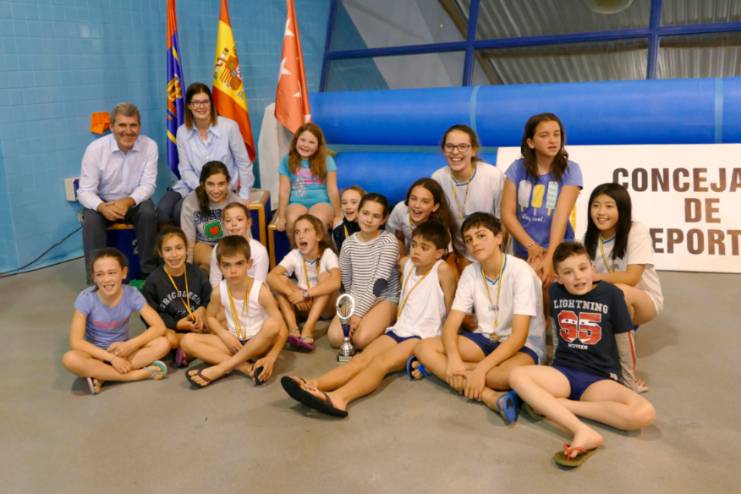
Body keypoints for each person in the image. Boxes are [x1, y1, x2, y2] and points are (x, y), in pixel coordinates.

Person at [281, 221, 456, 417]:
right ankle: (314, 384)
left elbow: (452, 311)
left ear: (439, 253)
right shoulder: (407, 264)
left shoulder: (442, 269)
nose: (416, 251)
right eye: (414, 245)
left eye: (425, 248)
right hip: (400, 330)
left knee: (381, 363)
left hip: (422, 336)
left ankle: (339, 398)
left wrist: (439, 351)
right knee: (361, 359)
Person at [509, 241, 655, 468]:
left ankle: (557, 405)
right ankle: (582, 430)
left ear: (592, 268)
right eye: (568, 272)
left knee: (644, 412)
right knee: (517, 375)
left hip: (599, 379)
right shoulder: (555, 292)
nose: (577, 276)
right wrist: (551, 365)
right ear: (558, 278)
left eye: (583, 268)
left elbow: (625, 341)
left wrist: (628, 382)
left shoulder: (612, 295)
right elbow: (557, 331)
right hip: (563, 373)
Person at [412, 213, 545, 424]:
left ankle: (441, 369)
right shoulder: (470, 272)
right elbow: (451, 324)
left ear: (499, 238)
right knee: (423, 348)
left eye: (481, 235)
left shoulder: (521, 272)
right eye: (469, 239)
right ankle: (490, 396)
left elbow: (519, 336)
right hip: (485, 338)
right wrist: (453, 359)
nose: (474, 243)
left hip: (522, 346)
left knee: (507, 377)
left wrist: (480, 369)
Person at [180, 236, 287, 387]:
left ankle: (221, 368)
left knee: (272, 324)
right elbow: (210, 317)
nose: (233, 271)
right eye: (227, 265)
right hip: (235, 343)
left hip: (260, 344)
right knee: (187, 341)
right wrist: (223, 334)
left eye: (239, 264)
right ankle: (246, 368)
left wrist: (271, 357)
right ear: (219, 266)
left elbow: (282, 328)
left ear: (249, 264)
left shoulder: (260, 291)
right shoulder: (218, 291)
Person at [62, 248, 170, 395]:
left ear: (124, 273)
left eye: (112, 273)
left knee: (163, 343)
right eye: (100, 274)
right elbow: (76, 342)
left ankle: (102, 375)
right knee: (70, 359)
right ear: (93, 277)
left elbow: (159, 327)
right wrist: (111, 358)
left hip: (123, 351)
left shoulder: (132, 294)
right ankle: (134, 375)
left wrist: (130, 345)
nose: (106, 279)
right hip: (96, 355)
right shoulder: (86, 298)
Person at [77, 102, 158, 280]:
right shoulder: (95, 149)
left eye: (133, 125)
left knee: (148, 212)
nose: (128, 131)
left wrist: (128, 201)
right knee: (91, 220)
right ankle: (96, 278)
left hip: (133, 202)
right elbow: (84, 191)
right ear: (112, 126)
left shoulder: (150, 146)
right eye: (122, 125)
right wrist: (102, 207)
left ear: (139, 127)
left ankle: (149, 273)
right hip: (103, 202)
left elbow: (148, 185)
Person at [501, 113, 582, 282]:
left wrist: (550, 258)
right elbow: (507, 214)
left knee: (544, 281)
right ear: (530, 142)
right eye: (544, 135)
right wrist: (530, 245)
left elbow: (560, 218)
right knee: (529, 282)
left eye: (556, 134)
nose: (552, 140)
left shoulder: (571, 170)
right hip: (525, 249)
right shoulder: (517, 168)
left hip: (559, 249)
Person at [157, 82, 253, 225]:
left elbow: (243, 163)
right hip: (193, 186)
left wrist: (244, 195)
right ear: (189, 106)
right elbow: (185, 169)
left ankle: (192, 239)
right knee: (163, 210)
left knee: (179, 210)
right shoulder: (182, 132)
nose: (201, 106)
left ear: (211, 104)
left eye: (205, 102)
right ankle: (174, 240)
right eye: (196, 102)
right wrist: (202, 188)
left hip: (221, 187)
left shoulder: (229, 127)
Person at [584, 183, 664, 325]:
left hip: (644, 299)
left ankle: (624, 337)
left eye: (609, 206)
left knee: (619, 292)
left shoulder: (636, 231)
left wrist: (594, 277)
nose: (601, 212)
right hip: (604, 295)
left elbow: (632, 277)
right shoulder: (588, 238)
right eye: (595, 205)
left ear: (622, 208)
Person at [328, 193, 400, 350]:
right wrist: (351, 307)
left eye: (376, 216)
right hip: (357, 295)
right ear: (358, 213)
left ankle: (384, 322)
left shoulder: (389, 241)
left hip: (384, 298)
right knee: (335, 338)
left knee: (360, 340)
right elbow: (347, 282)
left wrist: (358, 314)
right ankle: (368, 321)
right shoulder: (348, 244)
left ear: (383, 220)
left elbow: (379, 283)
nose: (369, 220)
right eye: (365, 213)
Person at [431, 124, 505, 267]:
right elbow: (441, 222)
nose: (455, 152)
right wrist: (454, 256)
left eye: (463, 146)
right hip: (458, 254)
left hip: (491, 252)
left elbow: (502, 221)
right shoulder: (438, 178)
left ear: (473, 150)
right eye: (450, 146)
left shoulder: (493, 176)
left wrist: (495, 257)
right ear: (444, 150)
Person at [267, 214, 340, 352]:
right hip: (303, 304)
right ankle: (293, 328)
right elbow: (271, 277)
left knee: (325, 277)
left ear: (318, 236)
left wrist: (306, 293)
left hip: (325, 307)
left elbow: (336, 282)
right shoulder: (295, 254)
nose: (301, 236)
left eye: (306, 231)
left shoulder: (327, 253)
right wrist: (292, 293)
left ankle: (308, 328)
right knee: (280, 280)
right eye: (297, 232)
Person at [143, 226, 212, 367]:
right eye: (168, 250)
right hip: (172, 329)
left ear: (186, 249)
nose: (174, 255)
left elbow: (209, 299)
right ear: (160, 253)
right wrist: (176, 324)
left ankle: (188, 351)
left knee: (219, 322)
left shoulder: (198, 274)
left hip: (198, 325)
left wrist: (202, 310)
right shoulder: (153, 281)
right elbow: (149, 315)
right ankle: (192, 346)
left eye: (179, 248)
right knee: (169, 339)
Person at [274, 122, 341, 238]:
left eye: (311, 142)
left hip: (321, 203)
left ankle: (319, 249)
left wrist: (338, 215)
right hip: (297, 203)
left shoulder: (327, 160)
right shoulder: (287, 160)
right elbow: (284, 191)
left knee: (317, 220)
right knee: (293, 220)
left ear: (318, 145)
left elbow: (332, 190)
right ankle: (297, 249)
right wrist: (282, 217)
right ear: (296, 140)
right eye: (303, 140)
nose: (305, 145)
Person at [180, 161, 240, 271]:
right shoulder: (190, 202)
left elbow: (245, 238)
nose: (216, 190)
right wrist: (187, 273)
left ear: (228, 183)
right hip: (203, 248)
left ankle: (210, 272)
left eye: (221, 184)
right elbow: (188, 242)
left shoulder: (236, 202)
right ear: (203, 184)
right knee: (211, 258)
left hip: (229, 247)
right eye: (210, 184)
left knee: (208, 268)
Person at [386, 178, 455, 261]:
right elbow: (397, 237)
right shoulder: (400, 209)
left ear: (435, 206)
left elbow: (448, 256)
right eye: (413, 198)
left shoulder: (440, 226)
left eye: (425, 201)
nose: (417, 205)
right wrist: (402, 260)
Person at [208, 202, 269, 286]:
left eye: (239, 219)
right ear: (223, 224)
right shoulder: (218, 248)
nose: (234, 224)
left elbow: (259, 284)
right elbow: (215, 282)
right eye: (228, 220)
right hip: (227, 292)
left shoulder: (259, 250)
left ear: (248, 223)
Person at [332, 185, 364, 252]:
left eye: (354, 202)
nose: (348, 207)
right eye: (344, 203)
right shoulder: (338, 231)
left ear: (364, 204)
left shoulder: (373, 227)